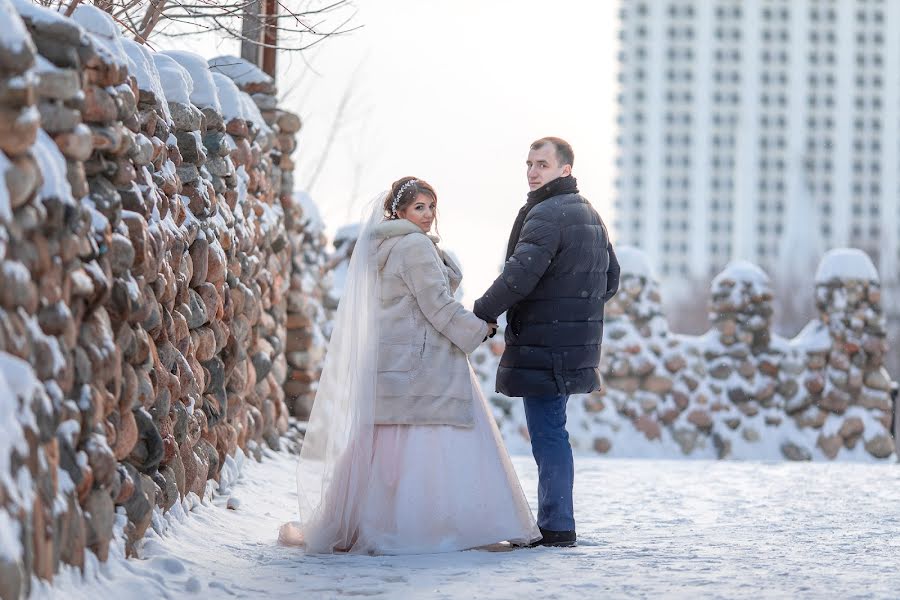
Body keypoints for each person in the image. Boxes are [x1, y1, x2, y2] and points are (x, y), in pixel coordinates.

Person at [282, 177, 539, 555]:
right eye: (419, 207)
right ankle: (433, 527)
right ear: (399, 211)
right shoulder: (415, 247)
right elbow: (436, 304)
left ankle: (380, 523)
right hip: (424, 361)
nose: (428, 215)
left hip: (394, 361)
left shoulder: (385, 246)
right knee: (434, 442)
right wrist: (478, 328)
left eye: (432, 207)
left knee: (391, 446)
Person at [474, 137, 620, 548]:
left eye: (542, 164)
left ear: (565, 170)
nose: (533, 171)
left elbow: (519, 276)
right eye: (529, 163)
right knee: (553, 428)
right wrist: (575, 309)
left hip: (547, 342)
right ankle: (555, 522)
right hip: (571, 341)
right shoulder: (590, 214)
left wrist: (483, 311)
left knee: (549, 434)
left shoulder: (547, 214)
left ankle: (557, 526)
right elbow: (610, 279)